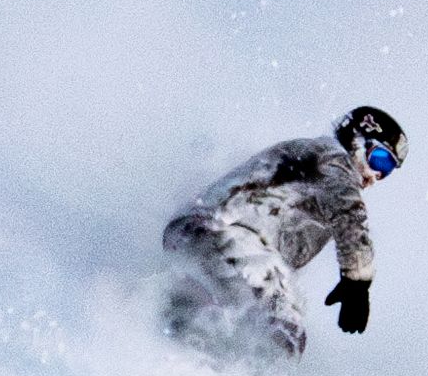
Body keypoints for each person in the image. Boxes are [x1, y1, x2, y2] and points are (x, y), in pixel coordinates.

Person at [157, 103, 404, 362]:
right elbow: (350, 213)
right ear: (355, 140)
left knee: (208, 321)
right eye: (379, 159)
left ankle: (173, 366)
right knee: (282, 326)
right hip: (219, 235)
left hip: (198, 237)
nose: (376, 176)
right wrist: (357, 281)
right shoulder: (333, 159)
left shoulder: (318, 186)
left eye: (387, 171)